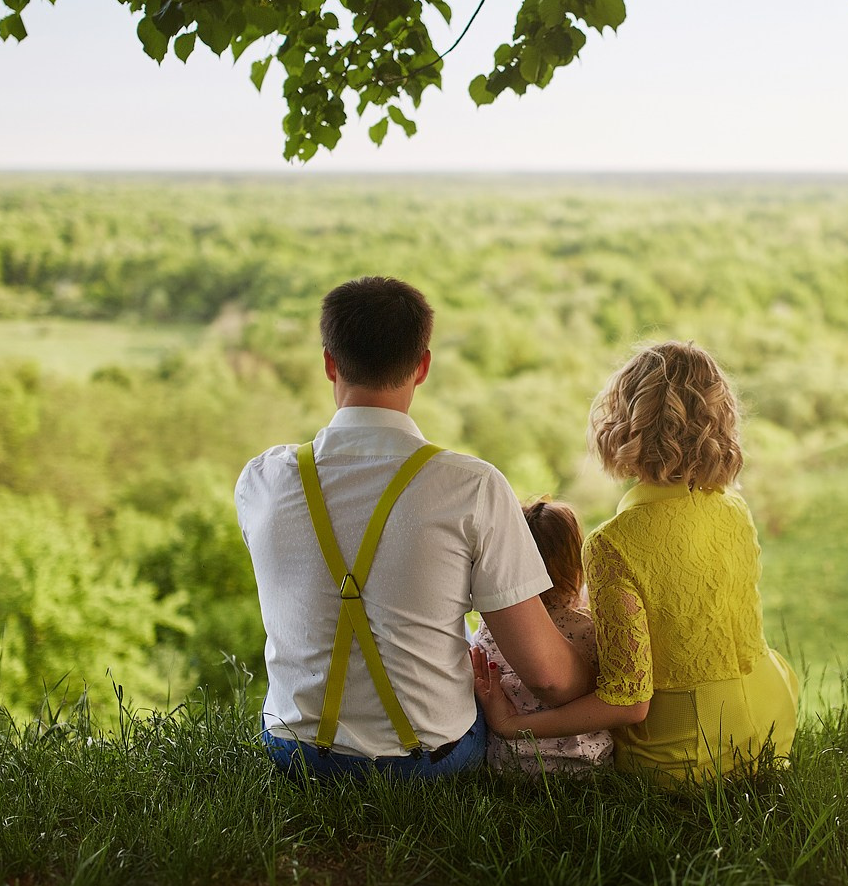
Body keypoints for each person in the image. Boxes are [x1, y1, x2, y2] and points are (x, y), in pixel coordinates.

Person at [238, 276, 590, 780]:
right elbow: (549, 678)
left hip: (292, 752)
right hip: (426, 763)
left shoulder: (262, 480)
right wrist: (607, 674)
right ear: (422, 366)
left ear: (329, 363)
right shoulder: (472, 487)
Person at [473, 341, 799, 783]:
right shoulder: (734, 509)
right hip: (771, 724)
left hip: (685, 755)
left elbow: (629, 703)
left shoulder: (612, 543)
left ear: (622, 425)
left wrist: (515, 726)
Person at [469, 500, 615, 774]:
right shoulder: (589, 630)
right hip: (583, 764)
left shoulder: (491, 629)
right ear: (576, 565)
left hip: (508, 764)